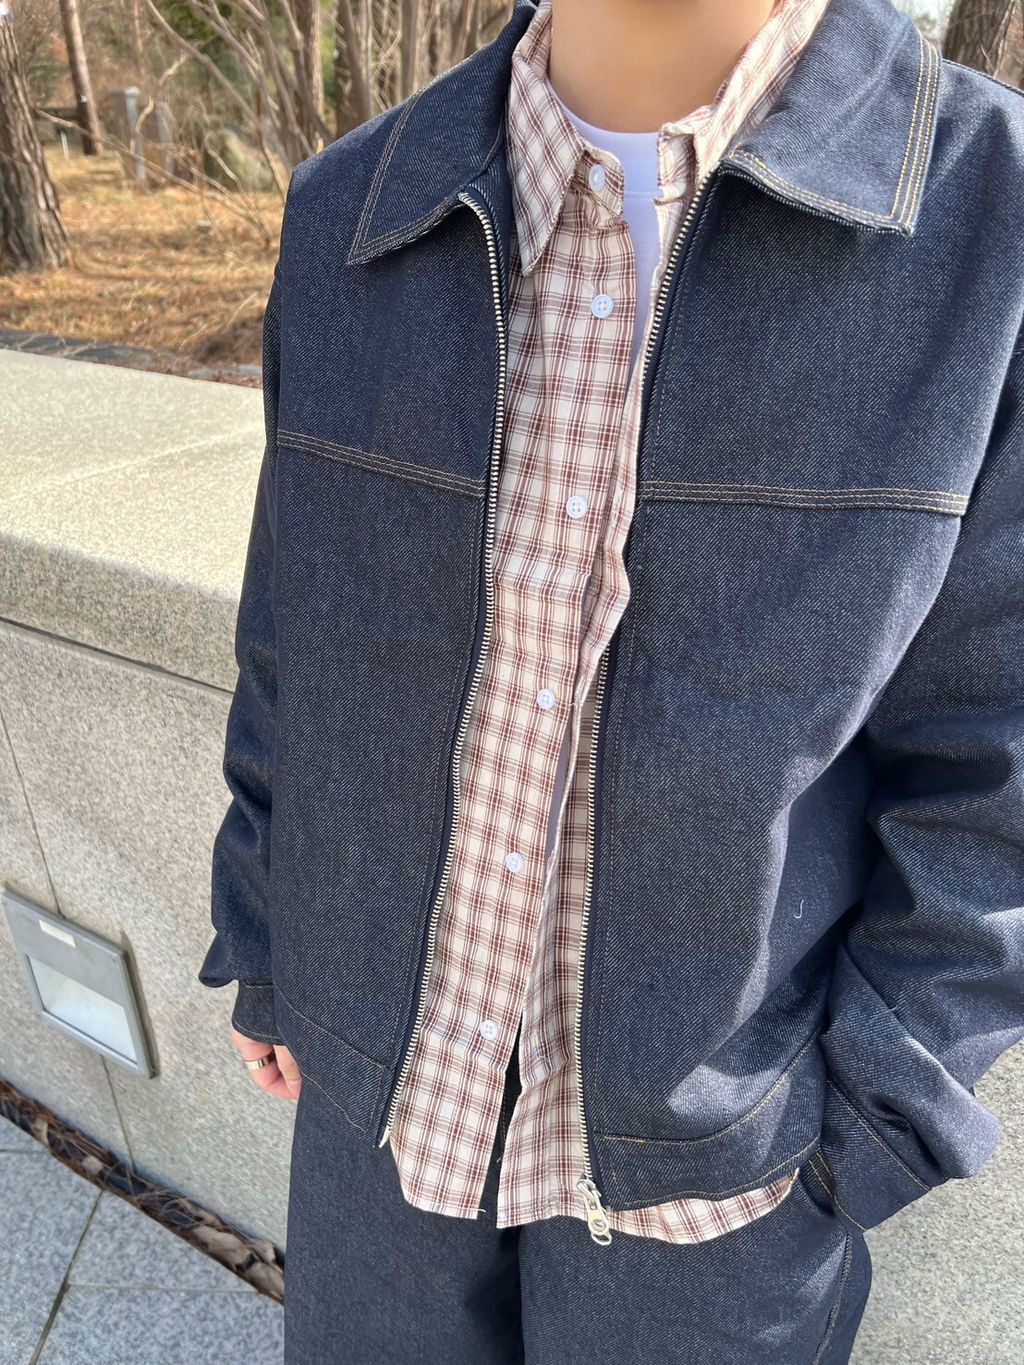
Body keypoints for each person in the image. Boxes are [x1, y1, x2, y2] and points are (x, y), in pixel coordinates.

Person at [200, 0, 1024, 1360]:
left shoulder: (985, 220)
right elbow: (295, 625)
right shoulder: (354, 201)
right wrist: (268, 938)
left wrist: (877, 1114)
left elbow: (996, 747)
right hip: (375, 1118)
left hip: (723, 1182)